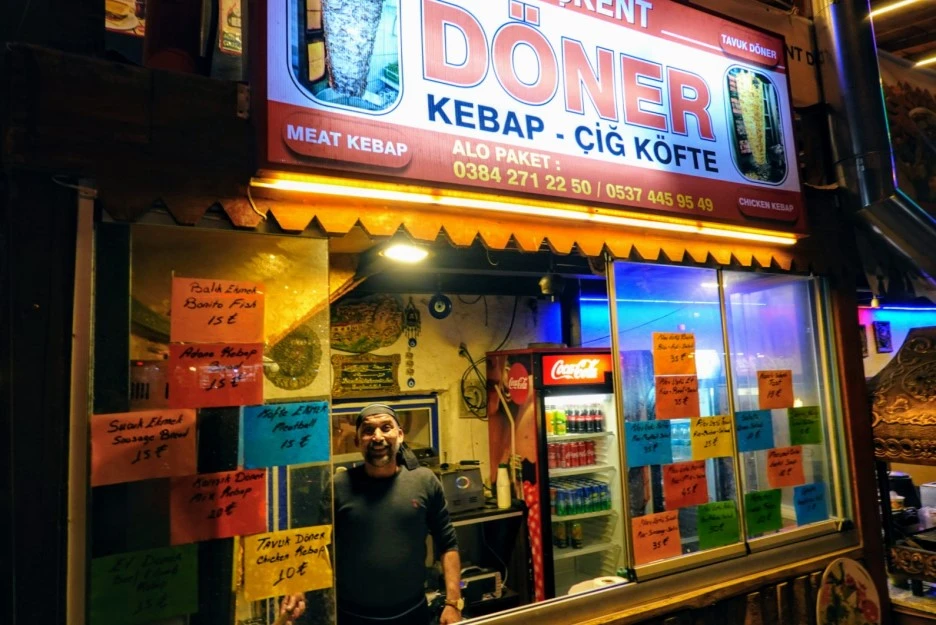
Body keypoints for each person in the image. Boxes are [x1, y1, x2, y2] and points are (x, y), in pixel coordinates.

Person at [282, 403, 463, 625]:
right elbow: (318, 547)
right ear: (357, 441)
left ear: (400, 435)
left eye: (386, 428)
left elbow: (448, 544)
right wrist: (298, 587)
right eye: (368, 430)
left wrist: (453, 603)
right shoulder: (339, 486)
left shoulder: (425, 481)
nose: (378, 437)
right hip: (353, 617)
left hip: (412, 613)